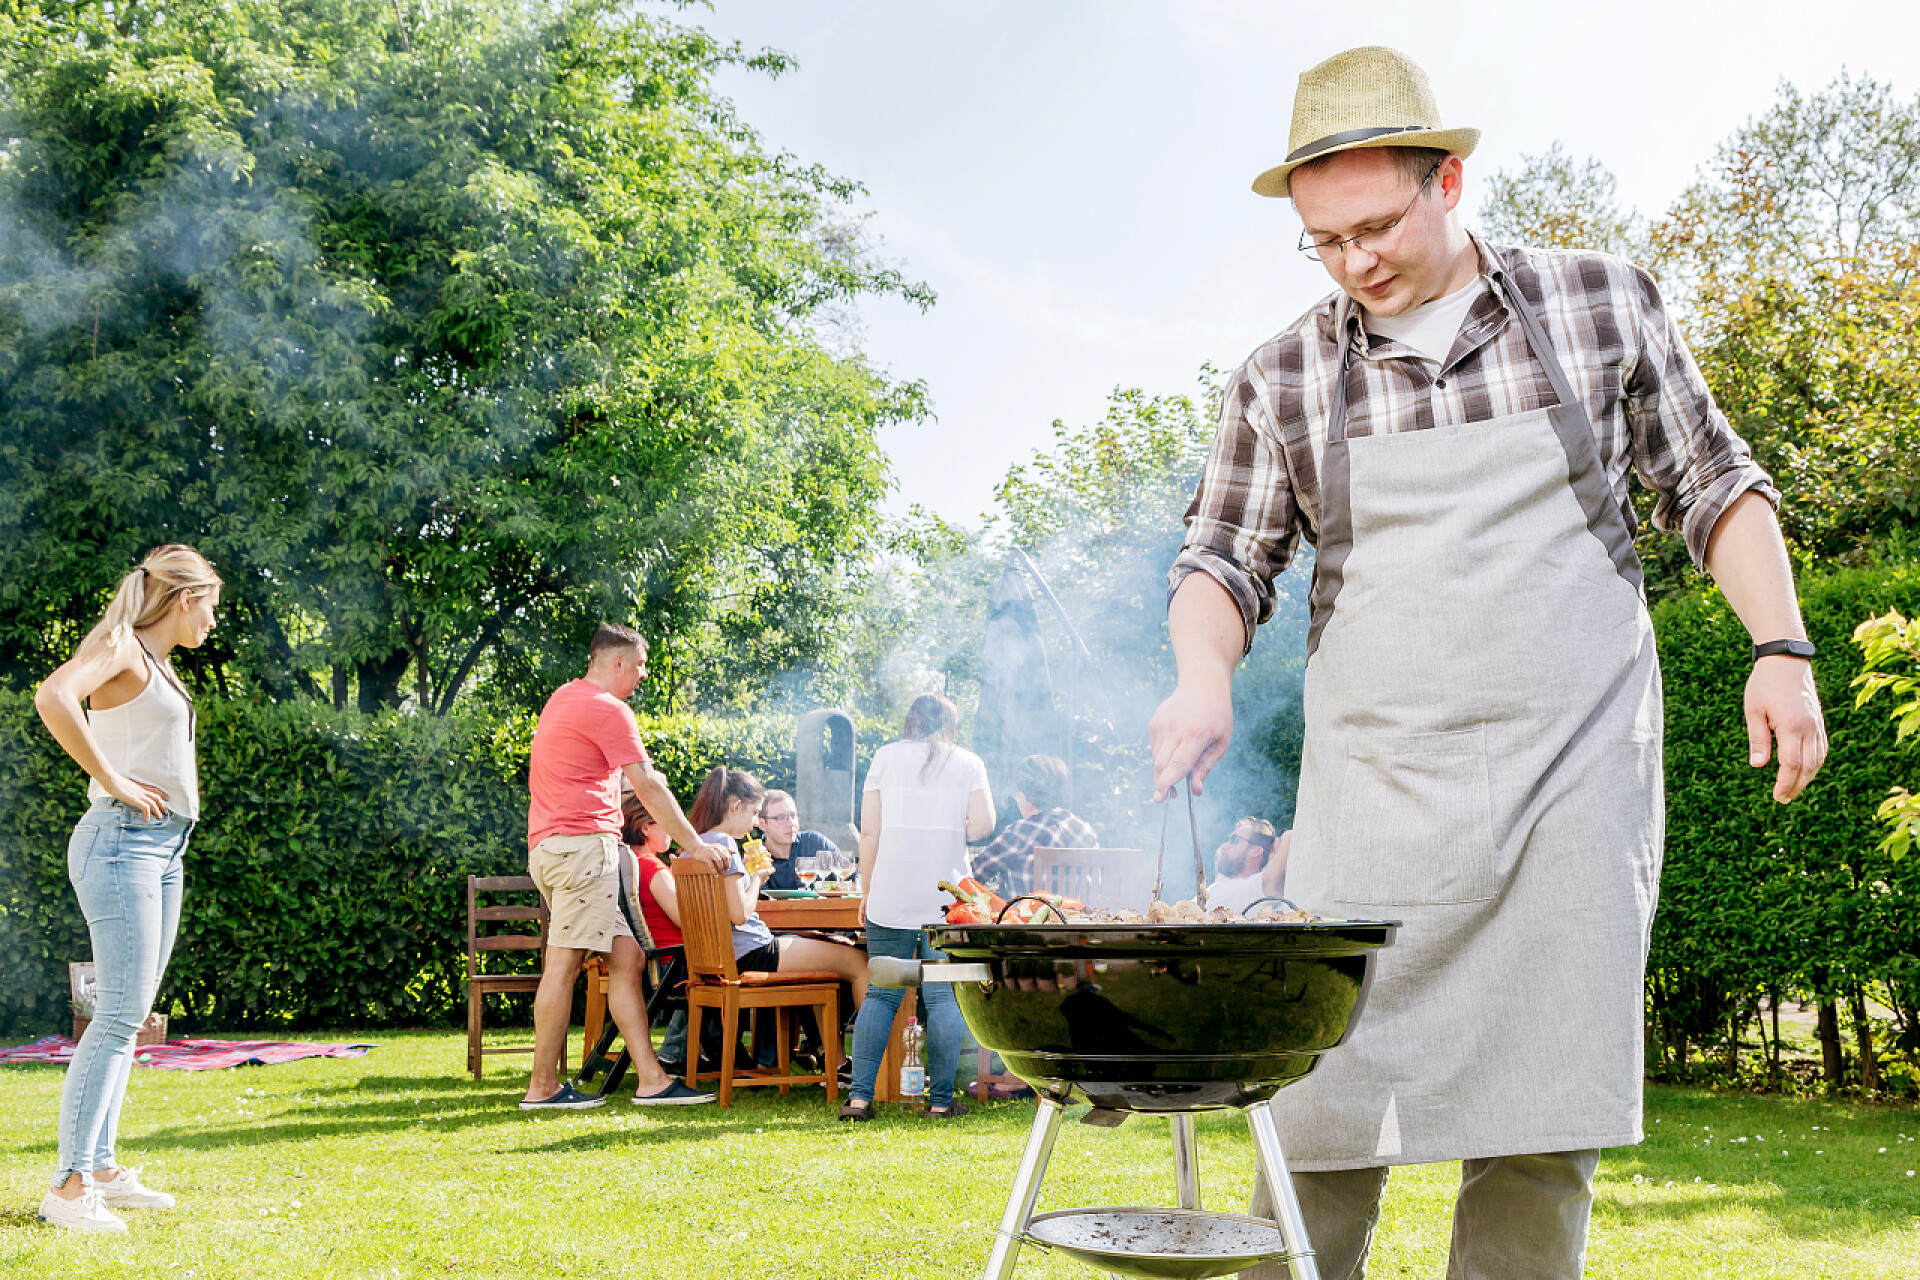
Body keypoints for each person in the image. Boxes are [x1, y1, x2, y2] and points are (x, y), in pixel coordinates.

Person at [1148, 47, 1828, 1280]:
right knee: (1317, 1120)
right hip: (1376, 794)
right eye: (1324, 240)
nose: (1356, 260)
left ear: (1448, 179)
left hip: (1571, 772)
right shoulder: (1284, 374)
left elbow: (1716, 483)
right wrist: (1202, 674)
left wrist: (1778, 643)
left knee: (1544, 1127)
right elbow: (1221, 562)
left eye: (1375, 223)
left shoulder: (1600, 304)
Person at [30, 545, 222, 1233]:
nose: (214, 623)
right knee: (115, 1018)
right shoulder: (122, 646)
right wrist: (110, 778)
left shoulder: (159, 666)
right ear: (185, 597)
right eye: (212, 607)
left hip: (162, 846)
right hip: (122, 841)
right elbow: (53, 695)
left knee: (128, 1016)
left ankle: (103, 1167)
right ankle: (69, 1185)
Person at [521, 623, 721, 1110]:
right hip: (581, 849)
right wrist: (694, 845)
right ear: (616, 662)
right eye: (640, 665)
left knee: (627, 956)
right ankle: (542, 1088)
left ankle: (651, 1079)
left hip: (553, 848)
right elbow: (648, 785)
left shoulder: (563, 698)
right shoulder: (609, 708)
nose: (643, 675)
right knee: (563, 965)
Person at [656, 767, 870, 1074]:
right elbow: (740, 914)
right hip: (754, 953)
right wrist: (756, 878)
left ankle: (837, 1066)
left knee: (825, 959)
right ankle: (868, 1069)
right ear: (735, 807)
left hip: (725, 957)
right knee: (860, 963)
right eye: (755, 812)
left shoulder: (694, 848)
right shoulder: (724, 844)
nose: (755, 821)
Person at [843, 694, 995, 1121]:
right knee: (943, 996)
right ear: (949, 724)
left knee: (881, 994)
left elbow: (869, 834)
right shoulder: (968, 761)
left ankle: (858, 1099)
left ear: (908, 721)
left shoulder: (884, 757)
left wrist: (866, 891)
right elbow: (984, 825)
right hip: (944, 897)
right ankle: (941, 1102)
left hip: (891, 889)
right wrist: (953, 828)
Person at [968, 754, 1099, 900]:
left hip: (1026, 921)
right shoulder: (1086, 832)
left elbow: (972, 875)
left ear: (1023, 795)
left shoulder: (1020, 833)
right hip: (1081, 921)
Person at [755, 789, 842, 892]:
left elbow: (850, 876)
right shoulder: (755, 859)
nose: (791, 823)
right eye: (781, 818)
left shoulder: (814, 842)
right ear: (762, 824)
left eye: (793, 815)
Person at [1204, 817, 1280, 915]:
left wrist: (1275, 847)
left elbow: (1289, 838)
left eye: (1234, 840)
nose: (1223, 845)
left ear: (1256, 851)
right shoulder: (1216, 887)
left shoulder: (1254, 887)